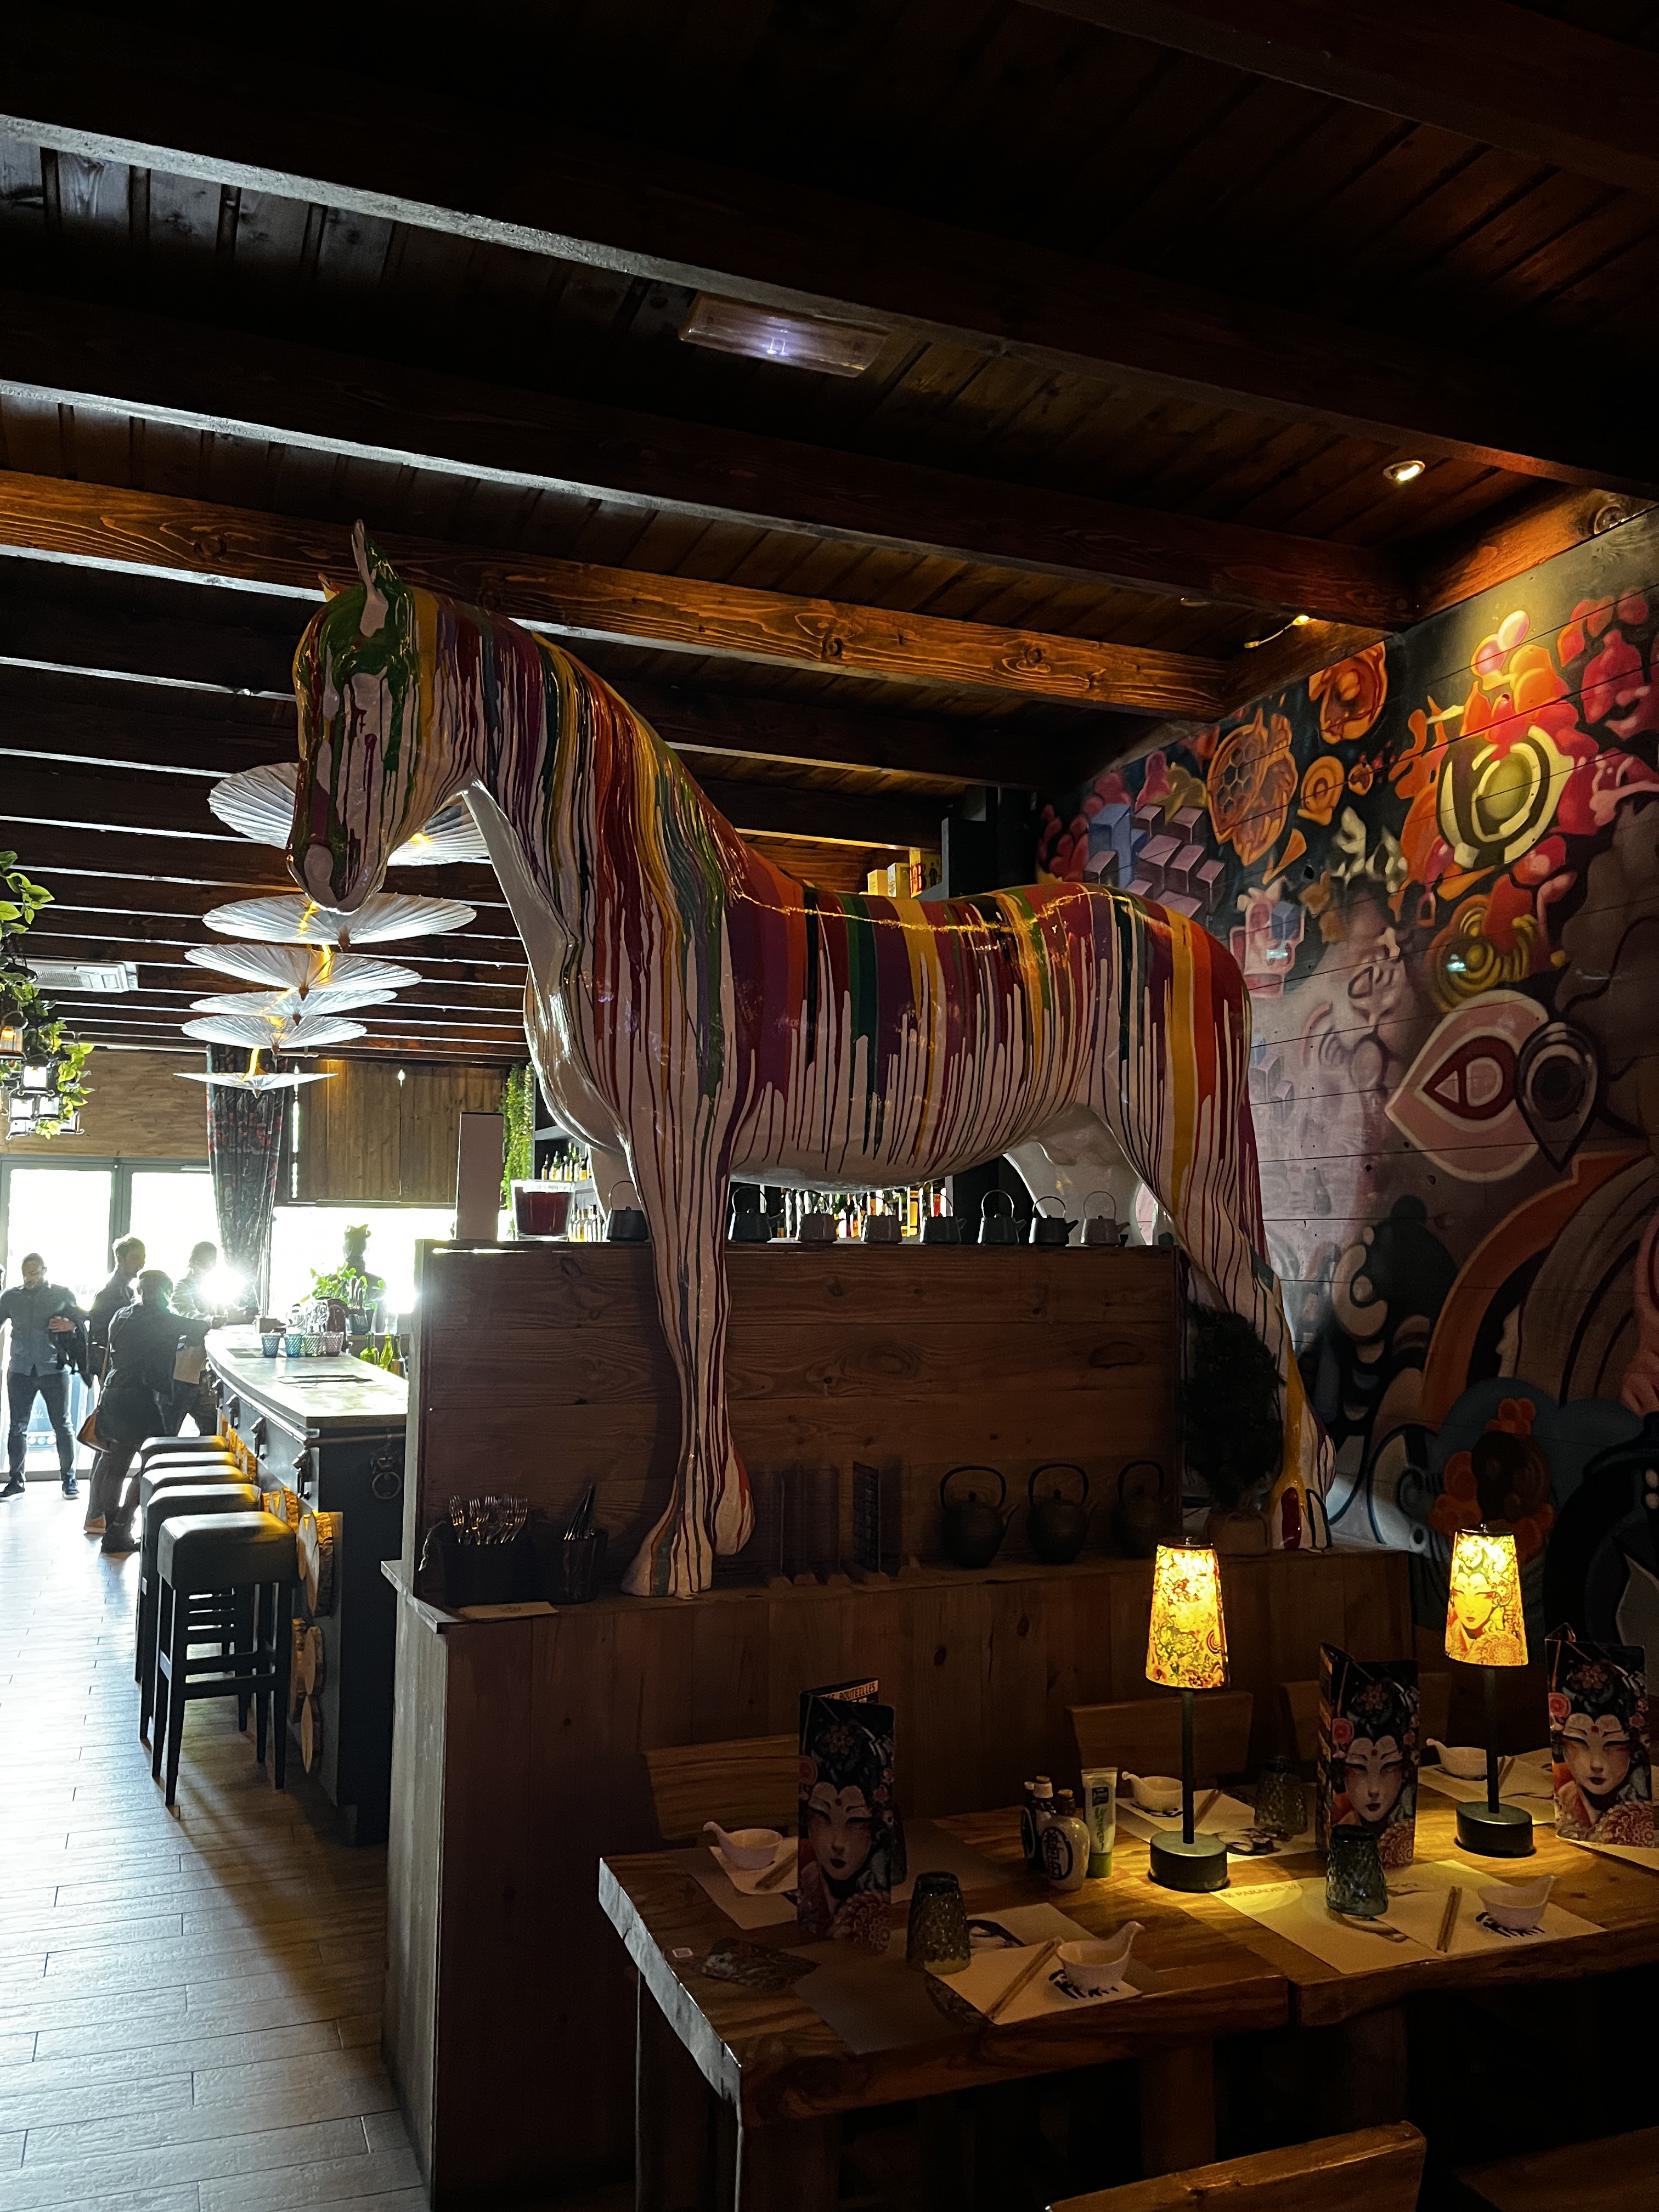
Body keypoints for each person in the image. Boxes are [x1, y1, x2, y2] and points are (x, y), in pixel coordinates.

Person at [87, 1270, 216, 1555]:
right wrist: (215, 1320)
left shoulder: (122, 1315)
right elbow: (199, 1328)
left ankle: (112, 1531)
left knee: (116, 1466)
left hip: (113, 1392)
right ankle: (123, 1522)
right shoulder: (162, 1318)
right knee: (154, 1461)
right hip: (143, 1399)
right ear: (165, 1293)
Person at [0, 1254, 83, 1499]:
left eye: (34, 1273)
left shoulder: (61, 1294)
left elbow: (83, 1320)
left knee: (62, 1425)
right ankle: (16, 1481)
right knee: (17, 1426)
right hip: (21, 1369)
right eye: (25, 1273)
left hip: (54, 1369)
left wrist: (71, 1325)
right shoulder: (11, 1297)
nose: (29, 1278)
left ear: (45, 1270)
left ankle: (69, 1479)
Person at [168, 1240, 225, 1435]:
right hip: (182, 1371)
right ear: (194, 1261)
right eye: (206, 1261)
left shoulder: (207, 1289)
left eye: (212, 1262)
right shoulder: (182, 1287)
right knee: (169, 1431)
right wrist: (210, 1320)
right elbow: (187, 1314)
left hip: (201, 1372)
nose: (209, 1266)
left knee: (213, 1430)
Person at [86, 1236, 145, 1380]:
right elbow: (100, 1337)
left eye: (143, 1258)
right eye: (135, 1258)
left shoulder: (128, 1292)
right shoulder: (109, 1293)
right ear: (120, 1259)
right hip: (115, 1368)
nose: (141, 1264)